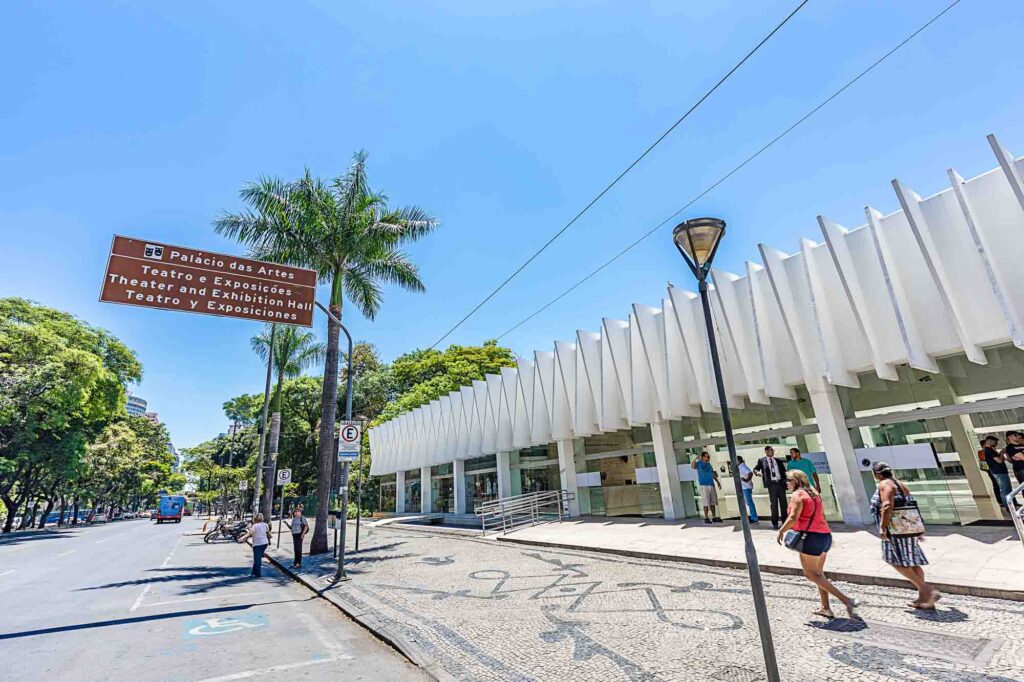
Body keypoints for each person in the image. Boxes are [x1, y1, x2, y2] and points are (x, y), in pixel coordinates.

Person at [777, 470, 859, 620]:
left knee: (810, 574)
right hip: (824, 536)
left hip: (811, 538)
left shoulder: (798, 495)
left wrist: (781, 530)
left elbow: (794, 517)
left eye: (788, 480)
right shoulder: (814, 492)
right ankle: (826, 608)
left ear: (795, 481)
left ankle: (847, 600)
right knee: (819, 574)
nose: (786, 483)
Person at [870, 462, 939, 609]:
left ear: (877, 474)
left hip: (895, 530)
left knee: (893, 560)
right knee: (913, 562)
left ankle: (927, 589)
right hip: (908, 528)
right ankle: (924, 599)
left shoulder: (884, 484)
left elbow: (887, 506)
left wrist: (883, 527)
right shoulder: (901, 484)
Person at [754, 446, 788, 529]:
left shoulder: (778, 460)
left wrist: (786, 481)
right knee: (774, 504)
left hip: (780, 483)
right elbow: (756, 469)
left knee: (784, 503)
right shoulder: (762, 461)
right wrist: (757, 472)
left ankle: (785, 521)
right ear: (766, 451)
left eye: (773, 450)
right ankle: (775, 522)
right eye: (771, 450)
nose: (772, 451)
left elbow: (784, 472)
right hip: (771, 485)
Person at [238, 513, 272, 578]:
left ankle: (258, 574)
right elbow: (268, 534)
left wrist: (242, 537)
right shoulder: (265, 525)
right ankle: (253, 573)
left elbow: (250, 533)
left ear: (255, 519)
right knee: (257, 558)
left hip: (258, 544)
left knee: (257, 559)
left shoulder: (255, 525)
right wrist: (269, 542)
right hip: (265, 543)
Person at [983, 435, 1012, 509]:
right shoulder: (988, 450)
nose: (996, 444)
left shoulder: (991, 450)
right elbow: (999, 460)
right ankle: (1009, 507)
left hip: (1000, 471)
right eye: (995, 442)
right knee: (1005, 490)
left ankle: (1012, 503)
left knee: (1007, 489)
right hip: (999, 472)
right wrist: (1002, 453)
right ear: (990, 441)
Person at [692, 452, 721, 523]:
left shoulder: (709, 464)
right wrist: (696, 458)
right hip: (704, 485)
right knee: (705, 502)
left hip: (711, 484)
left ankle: (714, 517)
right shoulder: (699, 463)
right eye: (707, 457)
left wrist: (717, 482)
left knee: (712, 502)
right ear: (703, 457)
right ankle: (706, 517)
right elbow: (693, 466)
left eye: (708, 457)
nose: (708, 458)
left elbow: (712, 474)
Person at [978, 436, 1005, 510]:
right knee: (996, 485)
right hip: (991, 470)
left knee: (999, 485)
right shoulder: (982, 452)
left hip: (995, 469)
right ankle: (1000, 500)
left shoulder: (992, 450)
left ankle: (1001, 499)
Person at [1004, 431, 1024, 504]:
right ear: (1009, 437)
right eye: (1015, 435)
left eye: (1018, 435)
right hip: (1021, 469)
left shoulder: (1021, 445)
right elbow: (1022, 457)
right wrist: (1019, 456)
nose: (1017, 436)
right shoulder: (1010, 447)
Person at [737, 456, 758, 524]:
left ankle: (754, 518)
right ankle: (751, 517)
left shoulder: (742, 466)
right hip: (744, 487)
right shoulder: (740, 467)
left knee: (749, 503)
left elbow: (750, 473)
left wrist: (747, 480)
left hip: (746, 487)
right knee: (747, 503)